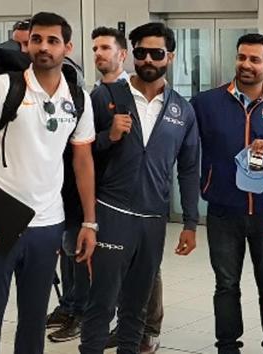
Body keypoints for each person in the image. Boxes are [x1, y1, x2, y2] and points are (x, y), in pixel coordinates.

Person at [0, 12, 97, 354]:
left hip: (49, 223)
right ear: (28, 43)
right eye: (37, 39)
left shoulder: (79, 98)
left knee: (34, 318)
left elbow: (83, 160)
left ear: (68, 47)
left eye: (52, 41)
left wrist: (90, 222)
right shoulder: (4, 86)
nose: (43, 47)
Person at [80, 22, 200, 354]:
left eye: (156, 53)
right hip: (112, 212)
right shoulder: (106, 96)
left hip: (153, 218)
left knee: (137, 306)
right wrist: (109, 137)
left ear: (170, 57)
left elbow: (189, 169)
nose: (148, 59)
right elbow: (79, 155)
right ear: (132, 54)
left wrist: (190, 223)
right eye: (141, 52)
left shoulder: (182, 109)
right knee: (102, 302)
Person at [190, 33, 263, 354]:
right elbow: (183, 144)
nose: (246, 64)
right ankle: (228, 346)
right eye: (242, 57)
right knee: (226, 285)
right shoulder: (206, 104)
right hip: (223, 211)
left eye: (254, 60)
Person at [46, 26, 130, 344]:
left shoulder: (131, 95)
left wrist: (110, 137)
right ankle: (71, 306)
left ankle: (86, 314)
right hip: (73, 190)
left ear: (121, 53)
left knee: (88, 256)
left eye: (105, 48)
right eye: (95, 48)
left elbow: (117, 149)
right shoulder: (90, 95)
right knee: (70, 251)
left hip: (108, 194)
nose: (99, 54)